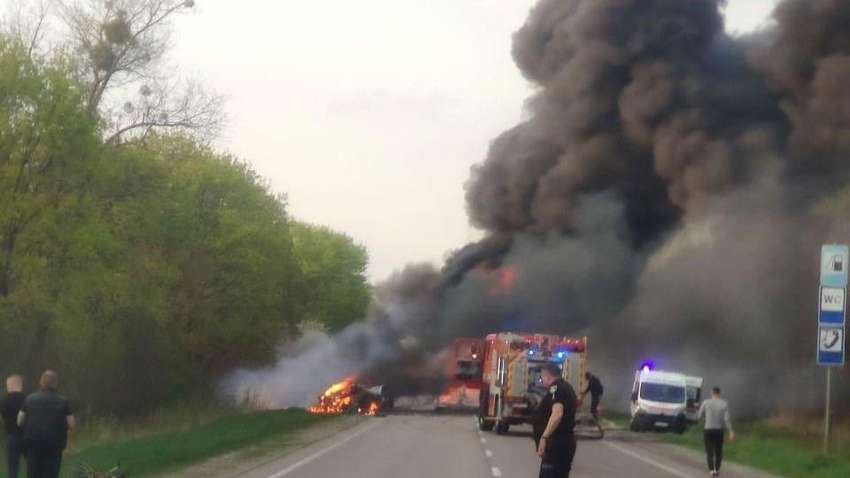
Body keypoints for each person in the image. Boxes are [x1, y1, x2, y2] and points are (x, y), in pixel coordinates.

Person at [17, 370, 75, 478]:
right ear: (55, 383)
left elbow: (19, 421)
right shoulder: (63, 401)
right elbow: (71, 424)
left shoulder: (29, 399)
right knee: (51, 474)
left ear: (41, 382)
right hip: (54, 444)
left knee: (33, 474)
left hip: (33, 443)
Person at [532, 363, 578, 478]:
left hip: (556, 443)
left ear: (547, 375)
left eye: (542, 376)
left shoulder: (556, 388)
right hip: (563, 442)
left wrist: (544, 437)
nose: (541, 379)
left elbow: (557, 414)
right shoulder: (565, 387)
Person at [698, 387, 735, 477]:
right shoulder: (724, 403)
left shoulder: (706, 402)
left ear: (712, 393)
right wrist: (731, 431)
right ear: (719, 393)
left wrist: (705, 419)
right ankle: (717, 470)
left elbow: (699, 415)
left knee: (709, 451)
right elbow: (726, 419)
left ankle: (711, 470)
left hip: (708, 430)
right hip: (719, 430)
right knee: (718, 451)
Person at [1, 375, 27, 478]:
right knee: (33, 467)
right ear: (21, 385)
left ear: (10, 385)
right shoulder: (28, 399)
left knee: (13, 470)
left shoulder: (3, 400)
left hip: (12, 437)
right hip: (28, 437)